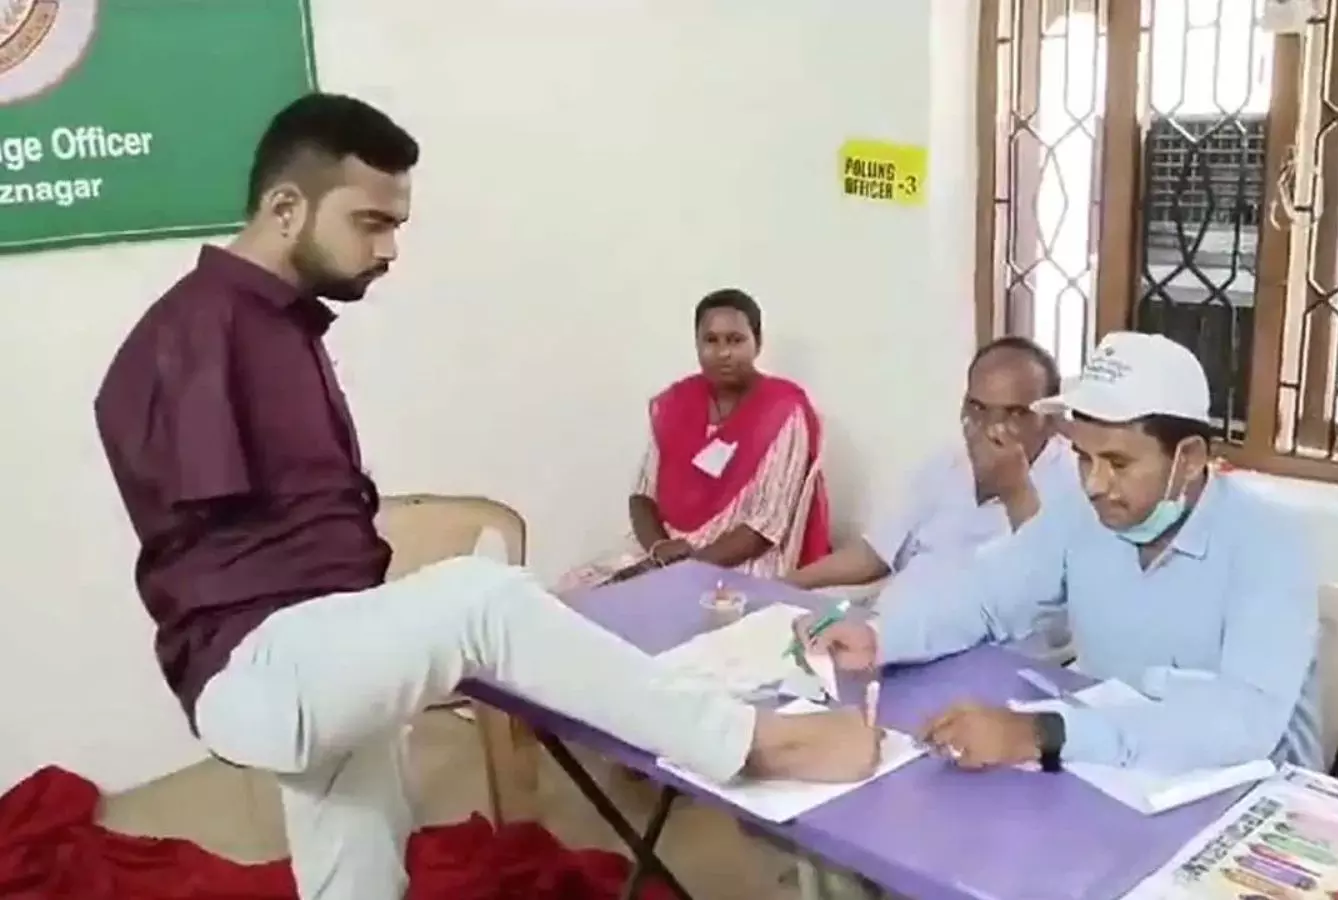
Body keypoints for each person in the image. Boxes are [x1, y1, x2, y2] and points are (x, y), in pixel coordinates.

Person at [93, 93, 878, 900]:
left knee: (356, 871)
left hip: (322, 643)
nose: (391, 247)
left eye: (396, 224)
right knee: (485, 601)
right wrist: (398, 623)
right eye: (371, 222)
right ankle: (751, 743)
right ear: (286, 207)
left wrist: (380, 625)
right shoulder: (195, 332)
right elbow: (210, 550)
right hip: (264, 663)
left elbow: (294, 527)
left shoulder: (276, 328)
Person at [800, 331, 1321, 775]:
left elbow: (1245, 722)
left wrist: (1043, 733)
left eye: (1118, 462)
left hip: (1248, 797)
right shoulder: (1082, 513)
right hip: (1110, 774)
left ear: (1189, 459)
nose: (1095, 483)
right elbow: (985, 593)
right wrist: (879, 635)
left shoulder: (1270, 543)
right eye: (1082, 457)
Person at [557, 289, 831, 590]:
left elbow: (764, 528)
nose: (723, 352)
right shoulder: (678, 403)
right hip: (665, 555)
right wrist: (659, 550)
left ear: (758, 343)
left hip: (740, 566)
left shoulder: (782, 410)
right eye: (711, 340)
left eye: (735, 340)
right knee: (574, 591)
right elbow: (642, 496)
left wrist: (684, 570)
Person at [785, 336, 1078, 609]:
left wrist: (1016, 491)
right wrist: (782, 585)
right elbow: (873, 554)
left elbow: (1050, 593)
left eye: (1015, 413)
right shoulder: (946, 464)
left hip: (988, 650)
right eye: (977, 408)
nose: (991, 428)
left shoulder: (1075, 484)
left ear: (1051, 420)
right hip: (894, 627)